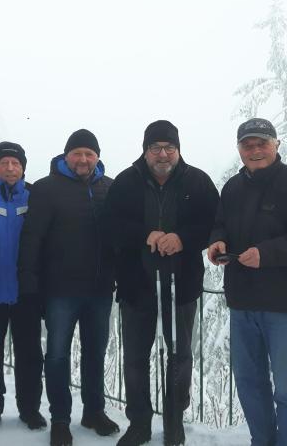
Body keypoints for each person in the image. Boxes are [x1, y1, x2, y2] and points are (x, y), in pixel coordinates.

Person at [207, 118, 287, 446]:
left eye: (262, 143)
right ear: (240, 149)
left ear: (276, 144)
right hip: (242, 303)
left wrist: (266, 254)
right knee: (248, 382)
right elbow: (220, 224)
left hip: (284, 306)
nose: (255, 150)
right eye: (248, 144)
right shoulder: (232, 187)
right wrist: (217, 241)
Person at [104, 120, 219, 446]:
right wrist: (146, 235)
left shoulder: (197, 181)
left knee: (179, 357)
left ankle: (174, 422)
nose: (163, 153)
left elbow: (214, 223)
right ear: (146, 150)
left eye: (169, 147)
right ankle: (139, 423)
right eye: (156, 147)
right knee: (136, 358)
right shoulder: (126, 182)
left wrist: (183, 238)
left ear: (178, 150)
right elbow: (110, 226)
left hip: (181, 286)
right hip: (135, 285)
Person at [18, 129, 119, 446]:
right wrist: (30, 283)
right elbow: (32, 238)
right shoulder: (47, 189)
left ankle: (93, 412)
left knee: (95, 354)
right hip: (60, 290)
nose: (84, 159)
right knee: (58, 356)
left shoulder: (110, 187)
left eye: (90, 153)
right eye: (77, 153)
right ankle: (60, 419)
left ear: (97, 157)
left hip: (100, 290)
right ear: (66, 156)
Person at [0, 142, 47, 434]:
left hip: (26, 292)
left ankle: (30, 410)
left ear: (23, 167)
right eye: (4, 163)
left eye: (15, 163)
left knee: (30, 355)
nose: (10, 168)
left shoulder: (35, 197)